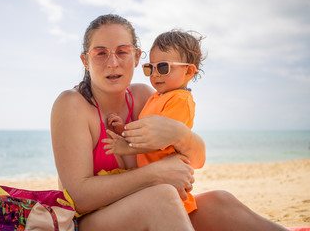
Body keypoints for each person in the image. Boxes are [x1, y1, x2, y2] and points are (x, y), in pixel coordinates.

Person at [51, 14, 287, 230]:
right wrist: (157, 174)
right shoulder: (72, 104)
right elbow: (78, 197)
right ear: (85, 60)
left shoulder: (145, 97)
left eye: (122, 51)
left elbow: (197, 160)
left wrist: (181, 135)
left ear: (136, 58)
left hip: (147, 214)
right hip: (88, 223)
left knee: (219, 201)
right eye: (101, 53)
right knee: (162, 197)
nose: (112, 62)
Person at [103, 30, 204, 220]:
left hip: (168, 184)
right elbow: (146, 129)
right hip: (154, 181)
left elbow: (159, 139)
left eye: (164, 67)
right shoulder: (157, 97)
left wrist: (127, 147)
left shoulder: (180, 100)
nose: (155, 74)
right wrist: (124, 129)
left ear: (188, 71)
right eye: (151, 68)